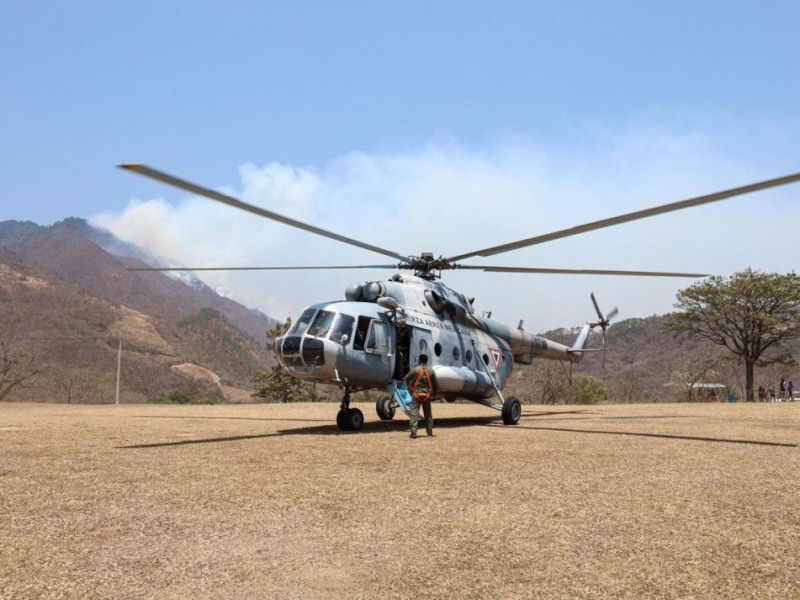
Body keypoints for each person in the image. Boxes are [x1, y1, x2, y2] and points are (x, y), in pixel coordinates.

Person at [405, 354, 438, 438]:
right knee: (428, 414)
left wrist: (409, 389)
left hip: (416, 395)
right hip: (427, 395)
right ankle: (429, 432)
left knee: (414, 413)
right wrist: (435, 394)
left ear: (419, 361)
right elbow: (436, 384)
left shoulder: (415, 370)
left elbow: (407, 378)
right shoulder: (431, 371)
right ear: (426, 361)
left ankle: (413, 432)